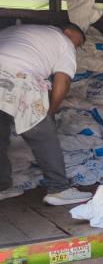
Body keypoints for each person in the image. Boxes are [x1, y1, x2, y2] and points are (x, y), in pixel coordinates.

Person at [0, 23, 92, 205]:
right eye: (78, 42)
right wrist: (49, 113)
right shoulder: (64, 41)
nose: (77, 47)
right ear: (68, 31)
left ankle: (1, 187)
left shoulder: (11, 31)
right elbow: (62, 83)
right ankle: (59, 189)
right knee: (43, 136)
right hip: (19, 78)